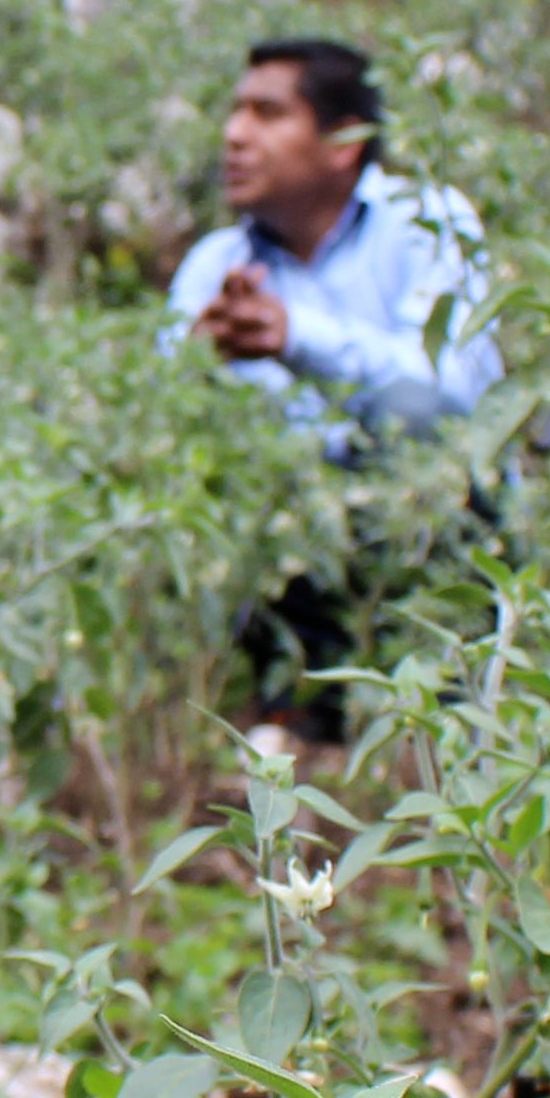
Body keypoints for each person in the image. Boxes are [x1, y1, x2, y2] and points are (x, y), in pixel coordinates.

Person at [168, 35, 505, 732]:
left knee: (411, 417)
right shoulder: (216, 264)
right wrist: (196, 375)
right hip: (289, 555)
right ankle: (284, 702)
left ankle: (446, 698)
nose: (234, 136)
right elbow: (162, 428)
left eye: (267, 114)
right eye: (235, 113)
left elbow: (452, 392)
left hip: (423, 528)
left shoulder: (428, 222)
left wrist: (297, 340)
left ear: (345, 141)